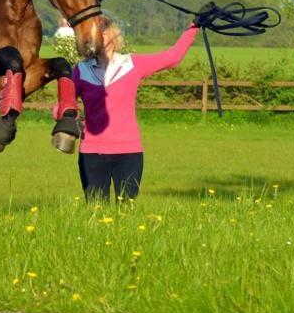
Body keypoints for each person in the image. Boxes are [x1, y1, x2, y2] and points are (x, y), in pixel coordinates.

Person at [72, 16, 199, 201]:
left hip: (129, 152)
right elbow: (64, 102)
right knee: (95, 211)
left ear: (113, 34)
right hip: (92, 152)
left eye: (103, 29)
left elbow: (173, 57)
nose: (98, 33)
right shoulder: (81, 70)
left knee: (127, 213)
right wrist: (68, 116)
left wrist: (194, 25)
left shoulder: (131, 64)